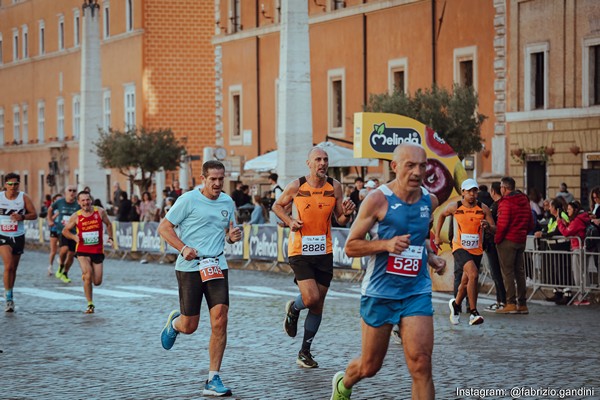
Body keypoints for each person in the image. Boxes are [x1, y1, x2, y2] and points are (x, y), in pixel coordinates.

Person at [330, 144, 445, 399]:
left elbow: (418, 241)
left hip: (416, 290)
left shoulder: (430, 200)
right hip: (380, 291)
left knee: (421, 364)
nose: (417, 172)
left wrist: (431, 257)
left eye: (422, 166)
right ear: (395, 167)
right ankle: (343, 383)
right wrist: (386, 245)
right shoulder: (377, 200)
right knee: (370, 366)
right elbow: (350, 246)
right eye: (410, 165)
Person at [157, 160, 242, 397]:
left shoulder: (227, 201)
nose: (217, 183)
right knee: (190, 326)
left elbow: (228, 234)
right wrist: (183, 248)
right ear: (203, 179)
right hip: (190, 267)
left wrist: (233, 237)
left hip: (216, 264)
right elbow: (164, 228)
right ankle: (175, 323)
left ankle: (213, 378)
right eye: (212, 179)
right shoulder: (187, 200)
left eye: (220, 179)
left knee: (220, 318)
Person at [273, 147, 355, 369]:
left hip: (324, 251)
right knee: (310, 299)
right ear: (308, 163)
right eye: (318, 159)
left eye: (325, 159)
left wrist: (347, 212)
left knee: (319, 304)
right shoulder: (297, 186)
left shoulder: (335, 186)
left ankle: (304, 352)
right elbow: (277, 206)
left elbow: (340, 219)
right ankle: (294, 308)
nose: (322, 163)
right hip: (300, 250)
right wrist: (290, 221)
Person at [434, 179, 495, 326]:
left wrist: (488, 226)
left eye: (474, 191)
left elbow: (495, 228)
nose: (472, 194)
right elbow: (441, 215)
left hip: (476, 249)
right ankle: (473, 312)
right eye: (469, 191)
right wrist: (437, 236)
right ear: (463, 192)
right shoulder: (455, 207)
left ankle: (455, 305)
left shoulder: (483, 208)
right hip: (459, 247)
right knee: (473, 274)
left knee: (466, 280)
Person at [61, 191, 113, 314]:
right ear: (79, 202)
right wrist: (74, 237)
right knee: (88, 274)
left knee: (97, 281)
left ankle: (86, 277)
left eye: (87, 199)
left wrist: (110, 237)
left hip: (97, 250)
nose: (86, 202)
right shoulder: (76, 216)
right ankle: (90, 304)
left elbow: (109, 224)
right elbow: (65, 231)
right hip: (82, 250)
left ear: (91, 200)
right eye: (83, 200)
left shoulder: (100, 212)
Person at [494, 176, 534, 315]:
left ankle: (510, 303)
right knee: (520, 271)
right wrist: (522, 232)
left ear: (504, 188)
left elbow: (502, 224)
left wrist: (497, 239)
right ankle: (522, 304)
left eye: (501, 187)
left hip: (508, 240)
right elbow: (531, 222)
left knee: (508, 272)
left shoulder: (506, 202)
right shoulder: (524, 200)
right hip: (520, 239)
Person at [1, 173, 38, 312]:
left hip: (18, 235)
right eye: (10, 184)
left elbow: (34, 214)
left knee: (14, 268)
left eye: (16, 184)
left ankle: (10, 292)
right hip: (2, 235)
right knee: (8, 265)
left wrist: (22, 216)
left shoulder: (24, 197)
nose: (13, 187)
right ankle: (8, 298)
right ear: (5, 185)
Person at [556, 201, 590, 305]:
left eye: (569, 209)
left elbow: (566, 232)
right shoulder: (580, 219)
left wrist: (559, 223)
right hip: (581, 248)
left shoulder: (577, 220)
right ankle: (584, 296)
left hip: (578, 248)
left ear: (575, 210)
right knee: (583, 272)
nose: (567, 211)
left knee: (578, 273)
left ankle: (582, 297)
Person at [47, 185, 81, 283]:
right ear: (66, 192)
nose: (72, 192)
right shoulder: (60, 202)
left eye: (74, 190)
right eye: (70, 190)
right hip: (62, 230)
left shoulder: (78, 204)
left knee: (71, 254)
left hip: (74, 232)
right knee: (64, 249)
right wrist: (49, 220)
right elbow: (50, 209)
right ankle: (61, 265)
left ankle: (65, 273)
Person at [483, 182, 507, 312]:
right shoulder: (501, 204)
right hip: (497, 242)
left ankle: (502, 300)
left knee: (496, 273)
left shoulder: (495, 206)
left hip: (494, 243)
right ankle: (501, 300)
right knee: (497, 273)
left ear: (493, 191)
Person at [47, 193, 63, 276]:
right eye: (58, 200)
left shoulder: (64, 208)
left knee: (63, 249)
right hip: (54, 230)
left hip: (63, 230)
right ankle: (50, 266)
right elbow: (50, 220)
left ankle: (60, 264)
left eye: (61, 199)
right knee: (53, 250)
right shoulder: (52, 209)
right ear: (54, 201)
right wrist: (57, 214)